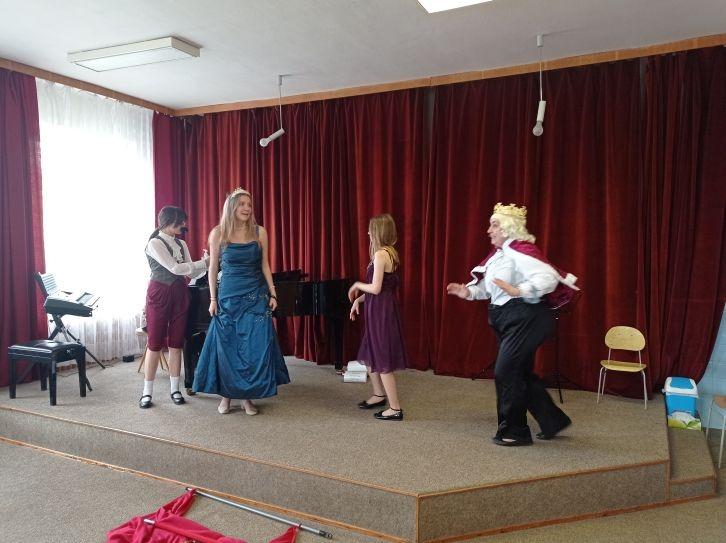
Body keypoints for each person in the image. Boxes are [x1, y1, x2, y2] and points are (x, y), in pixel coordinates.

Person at [446, 202, 579, 446]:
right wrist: (469, 292)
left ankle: (515, 432)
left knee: (506, 372)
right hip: (505, 317)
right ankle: (552, 420)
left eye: (494, 225)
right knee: (519, 372)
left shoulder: (522, 250)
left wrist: (519, 290)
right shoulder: (499, 256)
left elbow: (547, 278)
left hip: (526, 317)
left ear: (508, 228)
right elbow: (491, 288)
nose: (489, 230)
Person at [192, 188, 289, 415]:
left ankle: (247, 397)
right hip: (228, 298)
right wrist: (213, 299)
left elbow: (265, 265)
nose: (247, 208)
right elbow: (213, 269)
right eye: (242, 204)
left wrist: (273, 293)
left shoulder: (259, 232)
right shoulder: (218, 233)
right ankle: (226, 396)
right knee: (228, 348)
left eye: (249, 204)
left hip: (256, 296)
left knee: (253, 349)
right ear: (232, 207)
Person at [139, 206, 209, 409]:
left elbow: (191, 274)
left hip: (180, 294)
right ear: (168, 222)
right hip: (159, 294)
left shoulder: (181, 243)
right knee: (154, 343)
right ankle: (147, 392)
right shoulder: (154, 243)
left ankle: (175, 389)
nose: (183, 225)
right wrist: (203, 262)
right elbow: (175, 268)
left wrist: (205, 265)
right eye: (180, 222)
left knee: (177, 343)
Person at [348, 213, 409, 421]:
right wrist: (359, 300)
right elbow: (380, 289)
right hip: (379, 308)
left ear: (378, 232)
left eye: (370, 229)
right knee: (370, 352)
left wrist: (357, 285)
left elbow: (375, 288)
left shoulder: (381, 255)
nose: (367, 233)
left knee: (381, 358)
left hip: (381, 313)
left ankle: (395, 408)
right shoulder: (389, 253)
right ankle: (378, 394)